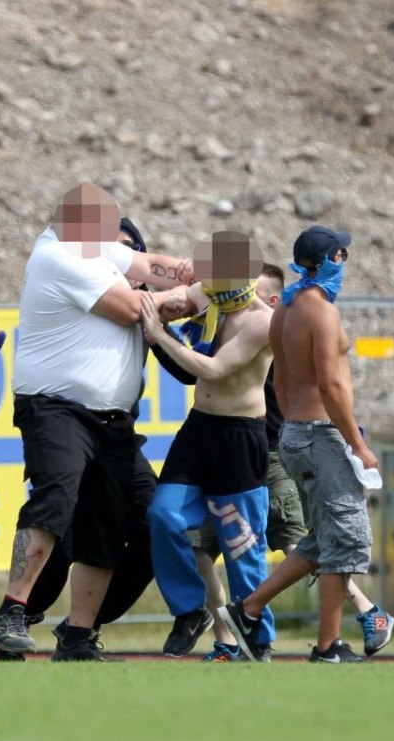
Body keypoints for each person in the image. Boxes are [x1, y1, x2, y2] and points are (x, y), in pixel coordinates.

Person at [0, 183, 193, 662]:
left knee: (109, 522)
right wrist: (196, 293)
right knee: (56, 495)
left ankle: (80, 634)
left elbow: (149, 265)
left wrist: (199, 269)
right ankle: (13, 609)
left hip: (113, 418)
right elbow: (129, 309)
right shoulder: (60, 256)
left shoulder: (95, 251)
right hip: (56, 406)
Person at [189, 263, 394, 662]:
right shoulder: (285, 320)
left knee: (311, 540)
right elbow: (324, 385)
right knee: (324, 538)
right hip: (265, 450)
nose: (241, 300)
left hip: (274, 454)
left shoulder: (278, 322)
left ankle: (354, 614)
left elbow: (316, 386)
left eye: (252, 294)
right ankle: (298, 634)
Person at [141, 231, 277, 659]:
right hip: (199, 430)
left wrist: (159, 335)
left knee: (241, 546)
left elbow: (215, 369)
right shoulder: (210, 296)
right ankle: (190, 610)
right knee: (163, 515)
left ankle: (258, 638)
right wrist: (135, 296)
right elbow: (172, 298)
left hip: (239, 437)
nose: (202, 275)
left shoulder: (261, 320)